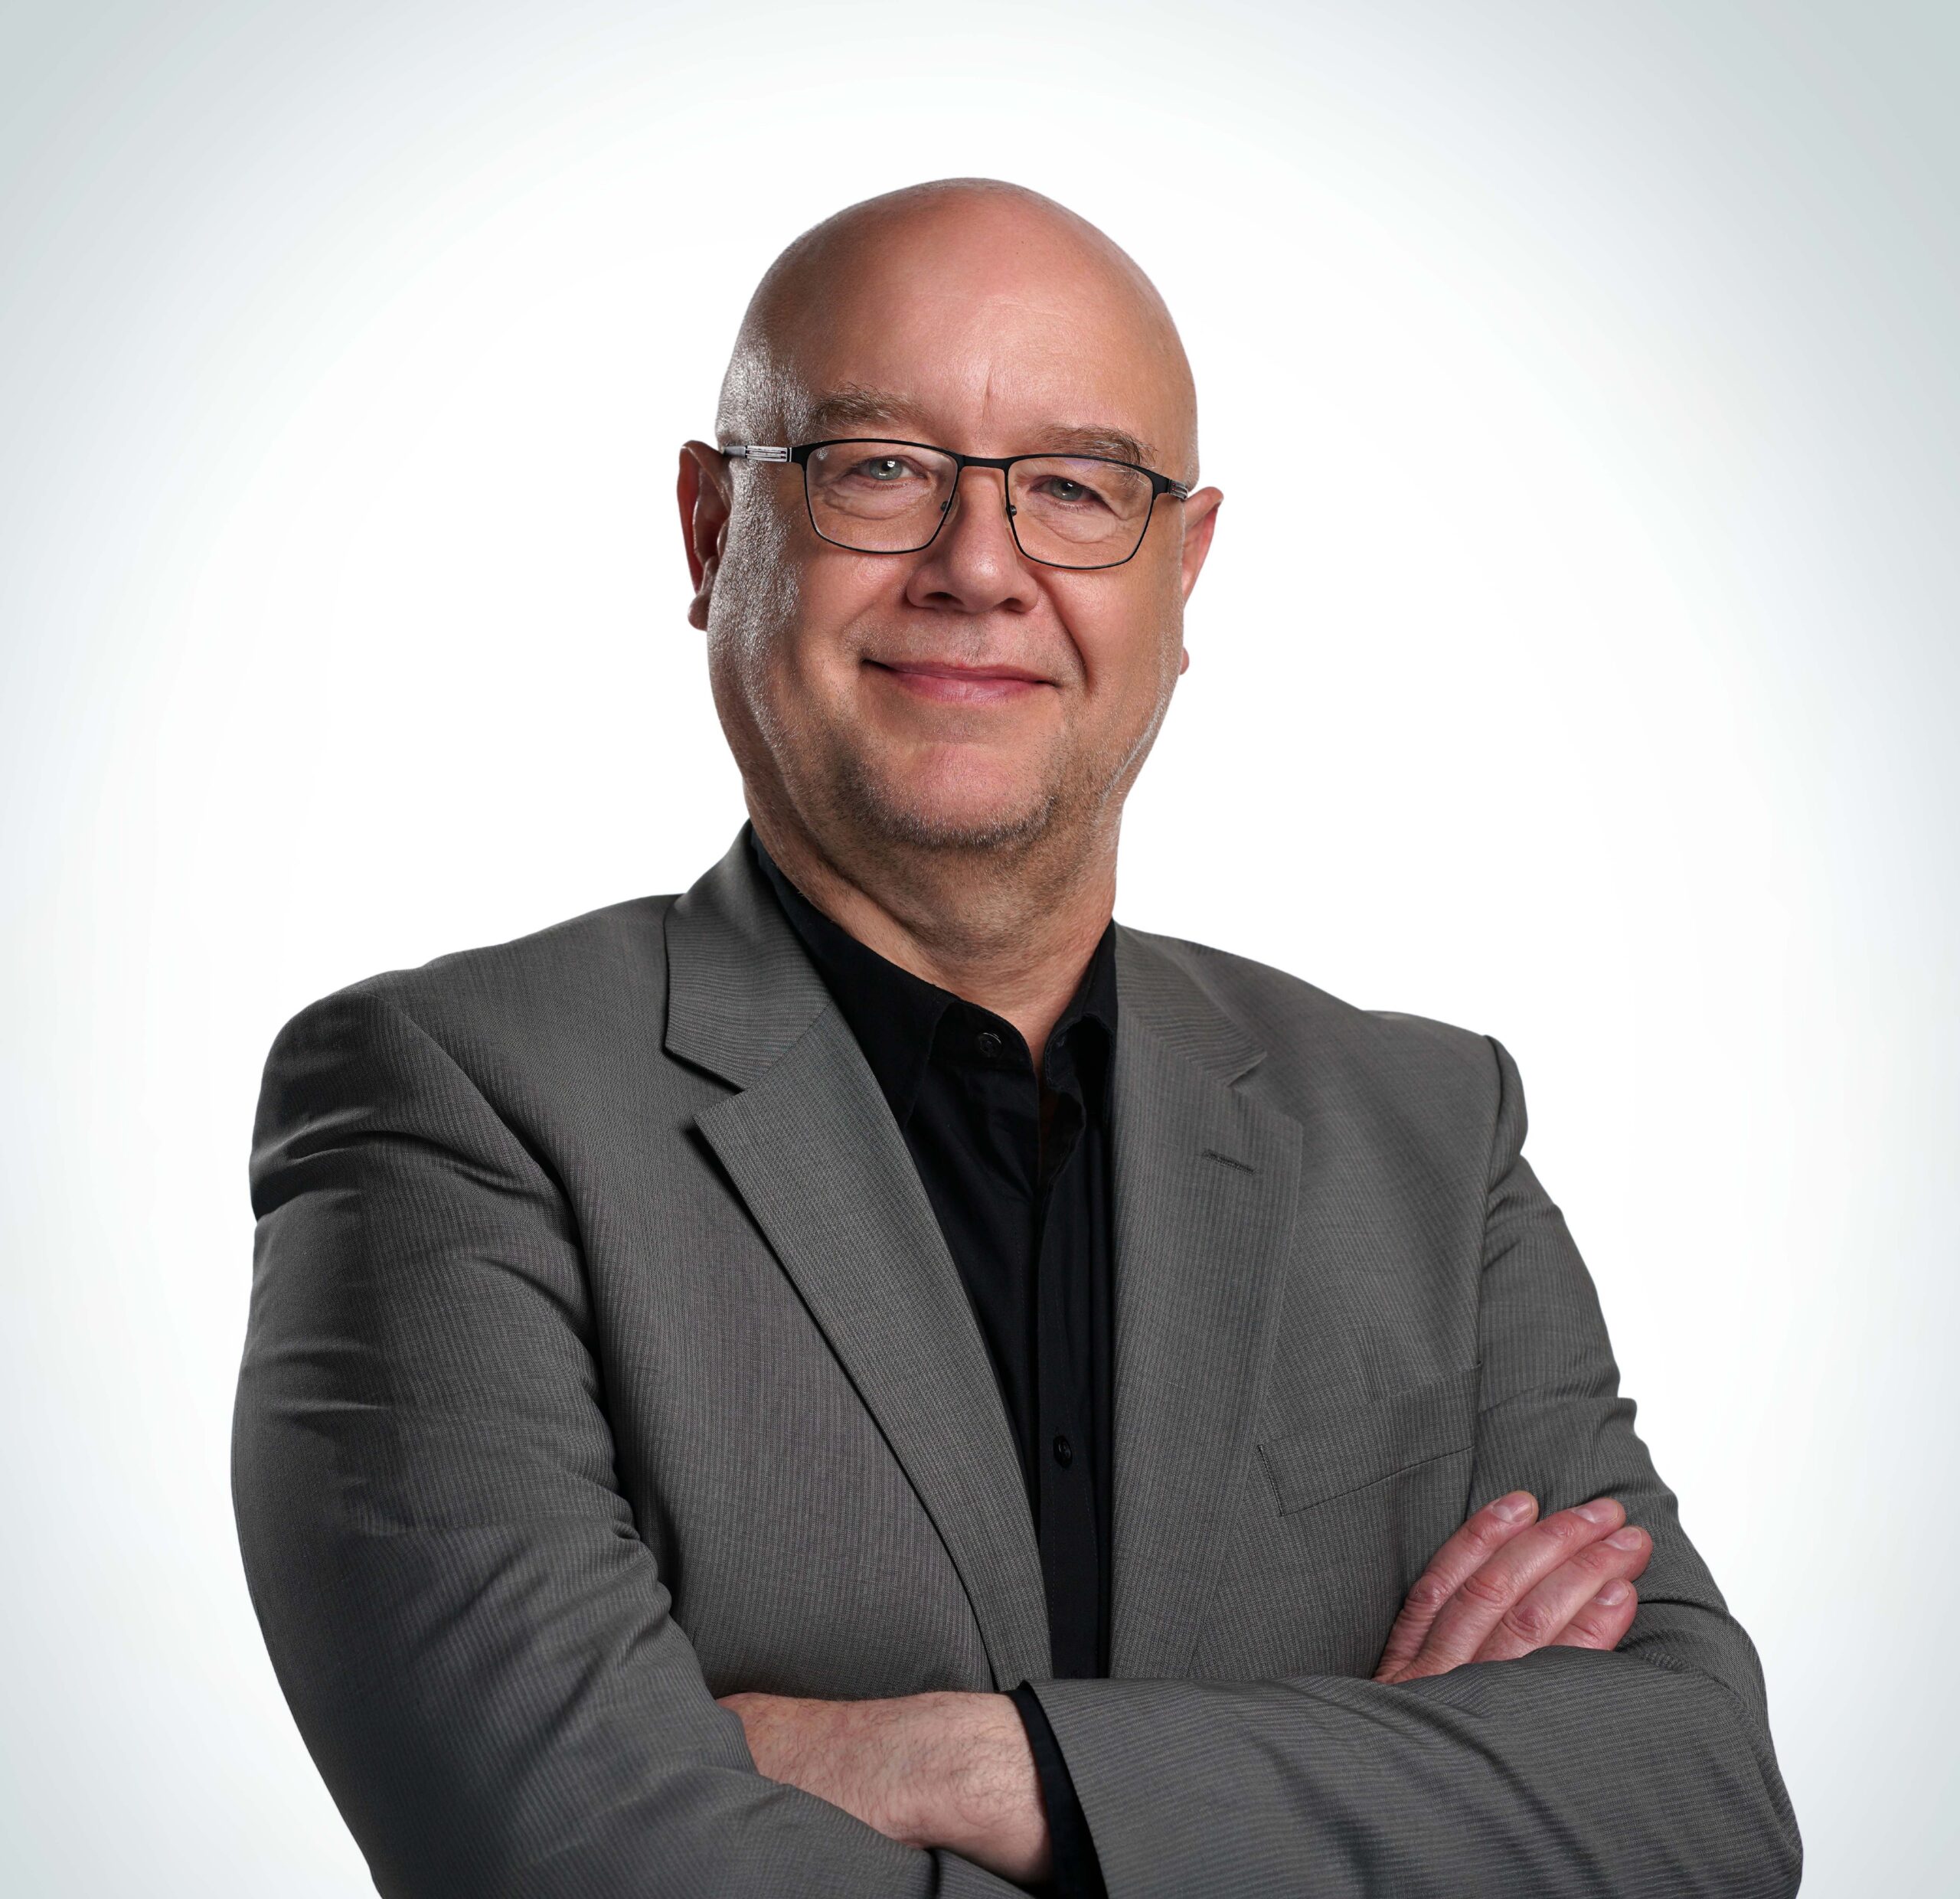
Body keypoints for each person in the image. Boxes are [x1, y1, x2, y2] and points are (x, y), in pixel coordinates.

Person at [232, 178, 1801, 1897]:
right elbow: (580, 1856)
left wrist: (973, 1761)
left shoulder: (1427, 1132)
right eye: (877, 466)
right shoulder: (453, 1106)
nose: (978, 568)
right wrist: (1376, 1798)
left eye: (1075, 488)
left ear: (1183, 573)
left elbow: (1697, 1808)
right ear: (708, 533)